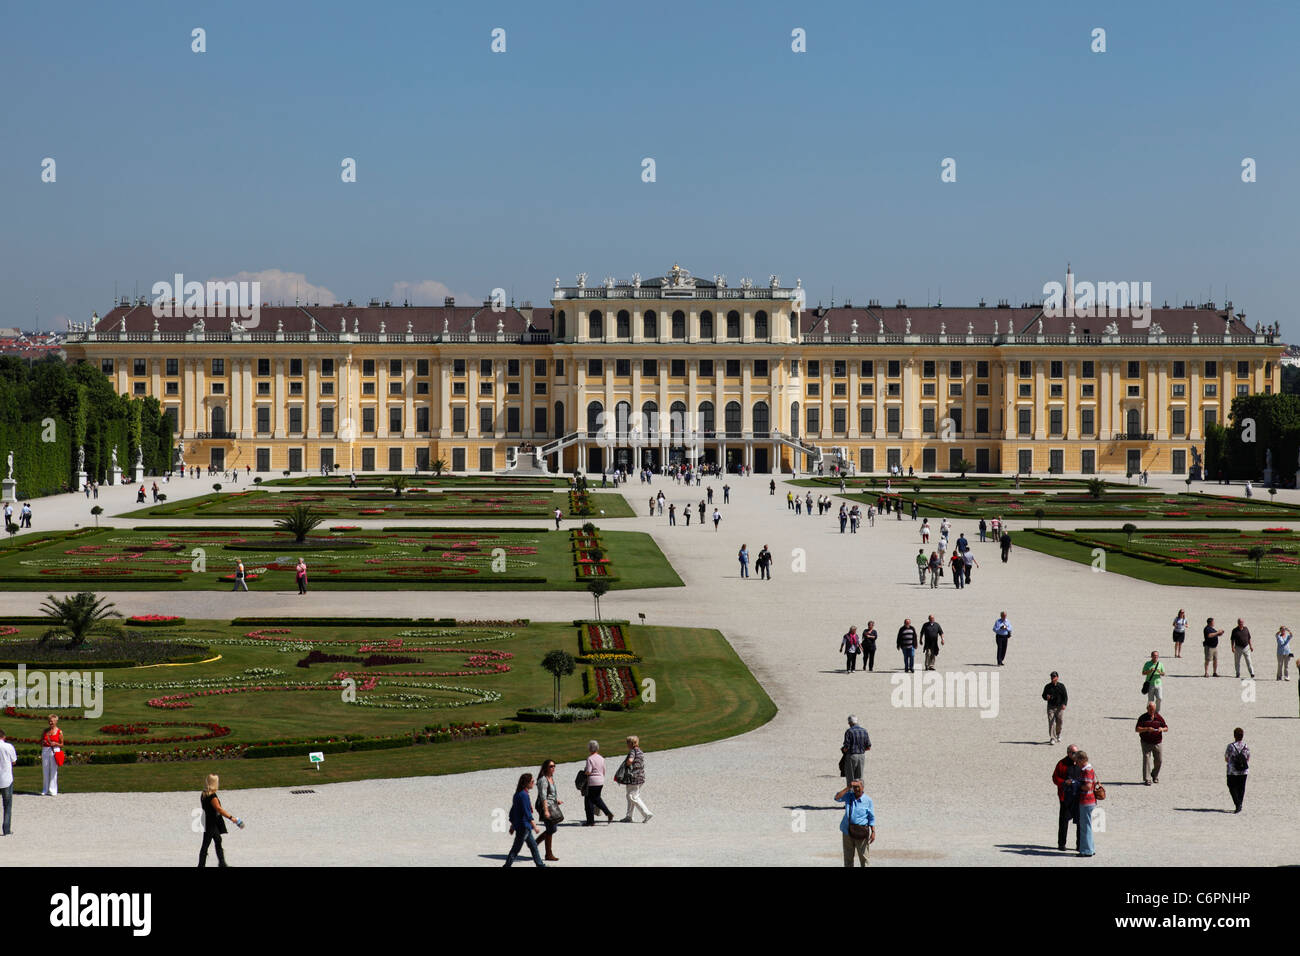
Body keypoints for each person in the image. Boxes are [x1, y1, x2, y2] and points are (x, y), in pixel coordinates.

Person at [199, 773, 241, 866]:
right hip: (211, 823)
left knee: (218, 839)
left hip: (208, 820)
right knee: (205, 844)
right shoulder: (212, 797)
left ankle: (222, 863)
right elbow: (219, 809)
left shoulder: (204, 794)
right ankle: (201, 865)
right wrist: (231, 818)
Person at [504, 773, 546, 866]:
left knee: (533, 846)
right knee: (516, 849)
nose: (533, 783)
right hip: (524, 826)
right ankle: (507, 865)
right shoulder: (524, 795)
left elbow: (514, 812)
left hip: (522, 826)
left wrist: (513, 826)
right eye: (532, 781)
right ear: (526, 783)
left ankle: (540, 865)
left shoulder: (518, 794)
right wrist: (535, 826)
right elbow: (527, 813)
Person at [835, 779, 877, 867]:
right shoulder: (849, 796)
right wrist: (848, 787)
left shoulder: (868, 800)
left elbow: (871, 817)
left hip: (861, 832)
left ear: (862, 787)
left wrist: (873, 832)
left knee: (864, 858)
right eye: (854, 787)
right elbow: (837, 798)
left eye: (858, 787)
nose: (856, 789)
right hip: (847, 831)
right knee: (848, 858)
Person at [1052, 743, 1081, 851]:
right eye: (1073, 753)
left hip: (1078, 797)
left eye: (1076, 752)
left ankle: (1080, 844)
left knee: (1080, 822)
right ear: (1068, 753)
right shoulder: (1061, 764)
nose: (1075, 755)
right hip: (1065, 797)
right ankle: (1061, 844)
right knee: (1064, 821)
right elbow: (1055, 778)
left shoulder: (1080, 762)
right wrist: (1064, 782)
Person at [618, 735, 653, 823]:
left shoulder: (632, 751)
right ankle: (629, 816)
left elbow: (630, 761)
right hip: (641, 777)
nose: (627, 745)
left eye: (627, 743)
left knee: (632, 796)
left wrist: (626, 764)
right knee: (630, 796)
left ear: (631, 743)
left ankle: (646, 813)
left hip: (633, 777)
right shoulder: (640, 751)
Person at [534, 760, 562, 861]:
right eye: (551, 766)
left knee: (552, 829)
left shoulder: (551, 778)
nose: (553, 768)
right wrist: (545, 810)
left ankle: (535, 843)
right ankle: (548, 854)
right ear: (546, 767)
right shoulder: (543, 780)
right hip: (545, 806)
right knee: (551, 829)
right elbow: (543, 797)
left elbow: (551, 793)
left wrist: (556, 800)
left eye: (554, 766)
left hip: (551, 805)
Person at [1135, 701, 1167, 785]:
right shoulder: (1142, 717)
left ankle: (1154, 775)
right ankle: (1147, 779)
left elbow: (1166, 727)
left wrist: (1162, 729)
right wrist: (1146, 729)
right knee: (1146, 759)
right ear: (1147, 709)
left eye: (1153, 710)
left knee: (1159, 760)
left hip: (1157, 742)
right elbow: (1137, 729)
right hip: (1146, 742)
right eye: (1150, 709)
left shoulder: (1159, 717)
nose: (1151, 711)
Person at [583, 740, 614, 825]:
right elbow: (604, 770)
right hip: (600, 780)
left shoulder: (590, 758)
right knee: (596, 799)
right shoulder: (601, 758)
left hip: (592, 781)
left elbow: (589, 771)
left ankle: (591, 821)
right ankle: (606, 813)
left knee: (589, 801)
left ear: (590, 749)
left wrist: (584, 772)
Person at [1075, 750, 1098, 857]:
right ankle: (1090, 848)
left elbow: (1088, 786)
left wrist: (1077, 786)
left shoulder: (1086, 770)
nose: (1076, 763)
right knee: (1087, 825)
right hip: (1091, 801)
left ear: (1081, 760)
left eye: (1077, 761)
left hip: (1086, 801)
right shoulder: (1090, 768)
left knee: (1085, 826)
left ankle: (1086, 850)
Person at [841, 715, 871, 785]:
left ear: (850, 722)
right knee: (860, 778)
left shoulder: (849, 731)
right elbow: (868, 746)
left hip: (851, 756)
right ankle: (860, 793)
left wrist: (844, 750)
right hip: (862, 756)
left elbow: (846, 747)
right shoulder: (864, 731)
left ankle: (851, 794)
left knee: (851, 778)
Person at [1225, 728, 1249, 813]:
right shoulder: (1245, 745)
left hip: (1232, 771)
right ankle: (1240, 803)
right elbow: (1248, 757)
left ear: (1234, 736)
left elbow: (1227, 758)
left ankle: (1237, 804)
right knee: (1241, 788)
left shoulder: (1231, 746)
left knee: (1232, 786)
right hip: (1243, 770)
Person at [1043, 672, 1068, 744]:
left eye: (1054, 677)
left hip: (1060, 707)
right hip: (1051, 707)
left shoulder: (1061, 686)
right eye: (1051, 677)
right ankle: (1052, 738)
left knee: (1059, 722)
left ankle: (1058, 734)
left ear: (1057, 677)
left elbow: (1065, 697)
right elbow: (1043, 695)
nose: (1052, 678)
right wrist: (1046, 697)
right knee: (1051, 722)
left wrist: (1064, 704)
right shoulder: (1047, 686)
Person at [40, 715, 63, 796]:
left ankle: (53, 789)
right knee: (45, 770)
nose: (50, 723)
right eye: (49, 721)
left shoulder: (59, 732)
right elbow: (41, 742)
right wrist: (43, 743)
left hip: (55, 750)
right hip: (45, 750)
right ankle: (45, 789)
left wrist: (56, 743)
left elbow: (62, 744)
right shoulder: (45, 731)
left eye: (52, 721)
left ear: (56, 722)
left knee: (53, 771)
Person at [0, 727, 16, 836]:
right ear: (3, 737)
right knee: (7, 805)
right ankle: (6, 830)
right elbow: (14, 761)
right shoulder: (8, 746)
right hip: (6, 778)